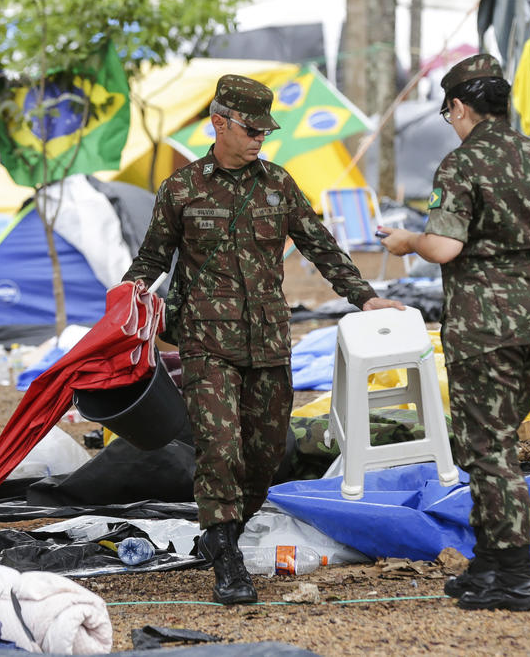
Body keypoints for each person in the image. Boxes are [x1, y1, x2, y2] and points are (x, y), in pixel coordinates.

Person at [122, 74, 404, 605]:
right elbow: (152, 259)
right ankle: (225, 552)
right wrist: (129, 296)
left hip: (269, 340)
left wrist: (364, 297)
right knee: (219, 446)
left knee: (269, 448)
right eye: (250, 129)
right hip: (207, 340)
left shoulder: (277, 183)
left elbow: (320, 246)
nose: (259, 139)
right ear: (219, 123)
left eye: (265, 130)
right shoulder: (181, 189)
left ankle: (228, 523)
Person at [379, 54, 530, 612]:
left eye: (449, 112)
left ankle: (514, 575)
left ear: (460, 106)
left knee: (488, 450)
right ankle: (489, 563)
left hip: (487, 320)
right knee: (496, 443)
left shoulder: (462, 164)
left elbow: (444, 246)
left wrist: (407, 240)